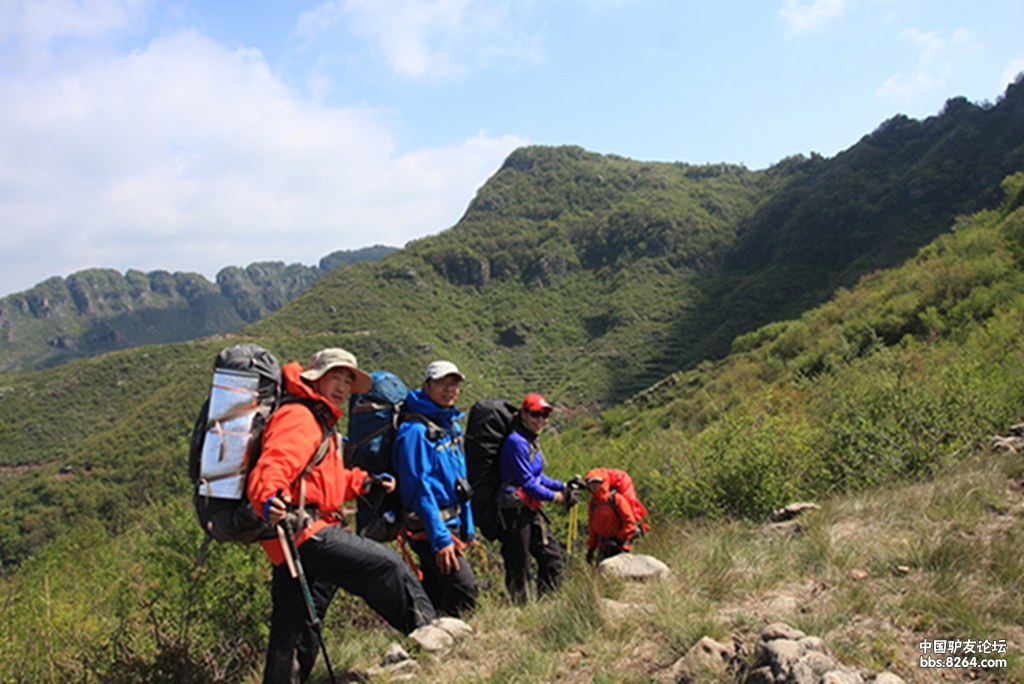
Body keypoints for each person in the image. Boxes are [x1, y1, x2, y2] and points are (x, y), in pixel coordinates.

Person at [247, 348, 436, 684]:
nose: (342, 387)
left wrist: (364, 482)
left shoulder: (320, 420)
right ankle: (433, 638)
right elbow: (274, 465)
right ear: (316, 378)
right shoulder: (300, 417)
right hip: (305, 533)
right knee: (386, 567)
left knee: (294, 629)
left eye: (348, 381)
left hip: (295, 538)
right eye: (336, 377)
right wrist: (269, 496)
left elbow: (326, 481)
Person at [392, 360, 479, 617]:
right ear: (426, 385)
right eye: (442, 383)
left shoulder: (451, 427)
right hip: (429, 527)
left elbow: (462, 480)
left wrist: (468, 525)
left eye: (454, 384)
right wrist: (440, 538)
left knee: (436, 589)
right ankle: (451, 633)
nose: (449, 390)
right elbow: (419, 487)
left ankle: (428, 630)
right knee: (464, 588)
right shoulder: (415, 432)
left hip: (451, 522)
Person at [496, 393, 571, 604]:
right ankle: (520, 609)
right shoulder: (516, 442)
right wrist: (555, 497)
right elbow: (528, 483)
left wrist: (563, 486)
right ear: (523, 414)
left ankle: (548, 604)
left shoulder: (530, 440)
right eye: (535, 414)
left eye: (545, 415)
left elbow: (538, 476)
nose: (540, 420)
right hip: (515, 511)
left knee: (552, 557)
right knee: (519, 563)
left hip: (529, 508)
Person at [583, 467, 642, 565]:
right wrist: (591, 547)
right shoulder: (593, 503)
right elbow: (592, 528)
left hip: (620, 547)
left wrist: (618, 539)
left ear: (603, 483)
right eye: (591, 483)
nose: (594, 486)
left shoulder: (616, 499)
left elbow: (630, 523)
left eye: (597, 482)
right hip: (603, 547)